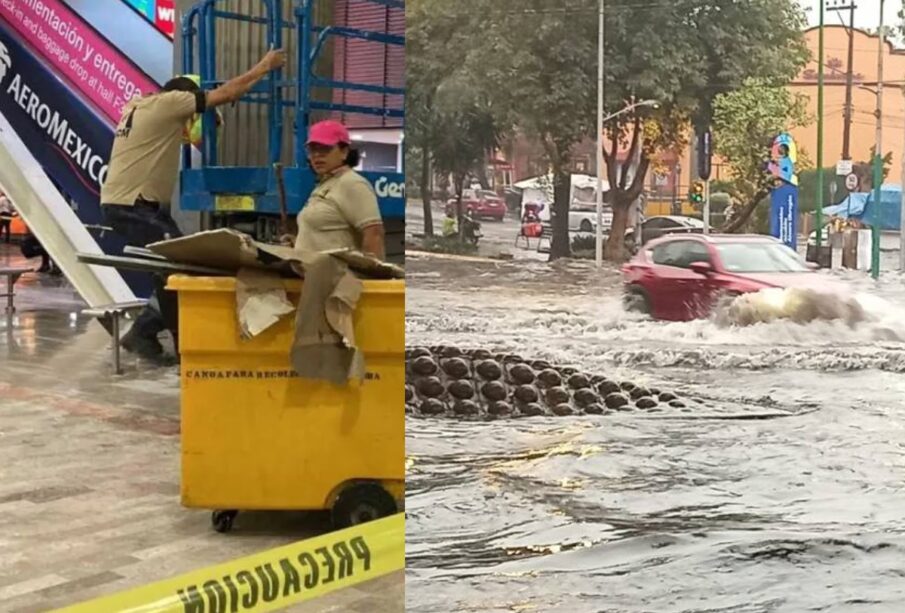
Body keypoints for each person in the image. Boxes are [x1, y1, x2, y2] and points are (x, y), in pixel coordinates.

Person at [101, 48, 287, 361]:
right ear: (183, 99)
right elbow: (228, 92)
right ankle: (183, 346)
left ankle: (143, 333)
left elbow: (188, 135)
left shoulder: (141, 106)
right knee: (175, 269)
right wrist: (264, 67)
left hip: (129, 204)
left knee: (173, 268)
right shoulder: (172, 103)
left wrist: (210, 116)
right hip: (133, 206)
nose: (190, 121)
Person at [291, 120, 385, 259]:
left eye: (324, 149)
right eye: (312, 150)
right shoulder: (325, 184)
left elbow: (374, 234)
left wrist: (375, 278)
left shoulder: (353, 184)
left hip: (340, 278)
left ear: (344, 152)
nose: (317, 155)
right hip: (314, 275)